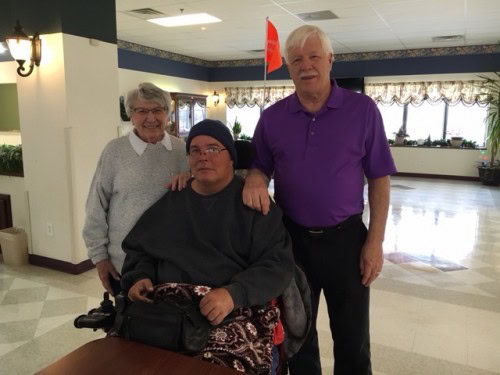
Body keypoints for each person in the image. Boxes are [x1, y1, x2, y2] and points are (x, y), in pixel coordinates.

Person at [242, 25, 397, 375]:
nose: (306, 65)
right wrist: (254, 177)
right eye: (297, 59)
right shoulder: (272, 118)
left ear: (330, 60)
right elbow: (259, 167)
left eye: (314, 56)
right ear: (288, 66)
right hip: (292, 242)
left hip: (346, 241)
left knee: (353, 337)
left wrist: (375, 241)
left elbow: (379, 179)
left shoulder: (363, 110)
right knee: (298, 334)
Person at [120, 119, 295, 374]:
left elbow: (277, 265)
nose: (203, 157)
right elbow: (142, 248)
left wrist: (234, 294)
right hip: (164, 311)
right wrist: (139, 276)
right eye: (195, 150)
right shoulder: (173, 200)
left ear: (231, 159)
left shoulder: (254, 206)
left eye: (213, 149)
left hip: (228, 313)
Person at [83, 82, 188, 295]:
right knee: (129, 323)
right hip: (123, 263)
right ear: (131, 115)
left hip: (172, 262)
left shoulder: (182, 150)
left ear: (168, 114)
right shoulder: (114, 151)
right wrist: (99, 257)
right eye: (142, 111)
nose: (151, 118)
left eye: (158, 110)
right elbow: (96, 206)